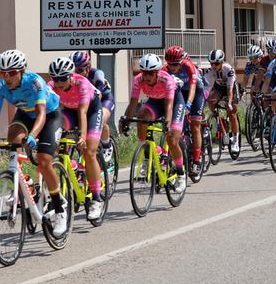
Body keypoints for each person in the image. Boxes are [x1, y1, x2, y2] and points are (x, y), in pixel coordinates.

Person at [0, 50, 67, 236]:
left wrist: (32, 136)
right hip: (25, 114)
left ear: (22, 70)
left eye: (12, 72)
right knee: (13, 138)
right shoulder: (0, 87)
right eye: (3, 73)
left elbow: (41, 115)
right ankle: (25, 184)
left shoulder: (34, 82)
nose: (7, 77)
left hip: (49, 116)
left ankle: (60, 208)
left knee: (43, 160)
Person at [120, 53, 187, 193]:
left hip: (174, 103)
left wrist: (167, 124)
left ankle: (181, 174)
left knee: (172, 139)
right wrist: (127, 119)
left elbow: (169, 106)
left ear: (157, 72)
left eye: (150, 73)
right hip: (155, 102)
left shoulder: (166, 79)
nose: (147, 76)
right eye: (144, 72)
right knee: (142, 116)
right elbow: (133, 103)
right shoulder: (138, 80)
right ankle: (147, 156)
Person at [48, 57, 105, 221]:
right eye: (55, 79)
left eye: (63, 79)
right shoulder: (50, 86)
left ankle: (96, 198)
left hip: (91, 111)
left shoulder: (82, 84)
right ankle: (71, 167)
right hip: (69, 112)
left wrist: (81, 136)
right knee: (58, 139)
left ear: (71, 76)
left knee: (89, 151)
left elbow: (83, 113)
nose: (59, 83)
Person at [164, 45, 205, 178]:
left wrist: (188, 105)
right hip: (180, 92)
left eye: (175, 64)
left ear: (181, 62)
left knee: (195, 125)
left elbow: (193, 87)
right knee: (175, 126)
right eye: (170, 64)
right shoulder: (166, 69)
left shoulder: (189, 66)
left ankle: (197, 161)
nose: (172, 67)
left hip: (196, 92)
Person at [71, 51, 115, 163]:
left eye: (80, 70)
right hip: (85, 101)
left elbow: (99, 95)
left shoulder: (96, 74)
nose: (77, 73)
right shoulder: (71, 78)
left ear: (88, 67)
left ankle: (106, 145)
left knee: (101, 120)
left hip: (104, 99)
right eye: (74, 70)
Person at [204, 49, 240, 155]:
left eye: (216, 63)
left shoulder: (228, 69)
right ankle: (218, 120)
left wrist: (229, 102)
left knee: (232, 112)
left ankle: (235, 140)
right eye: (211, 63)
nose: (214, 66)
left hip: (231, 88)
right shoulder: (210, 71)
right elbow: (206, 87)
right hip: (219, 87)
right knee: (210, 100)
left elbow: (230, 89)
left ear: (222, 62)